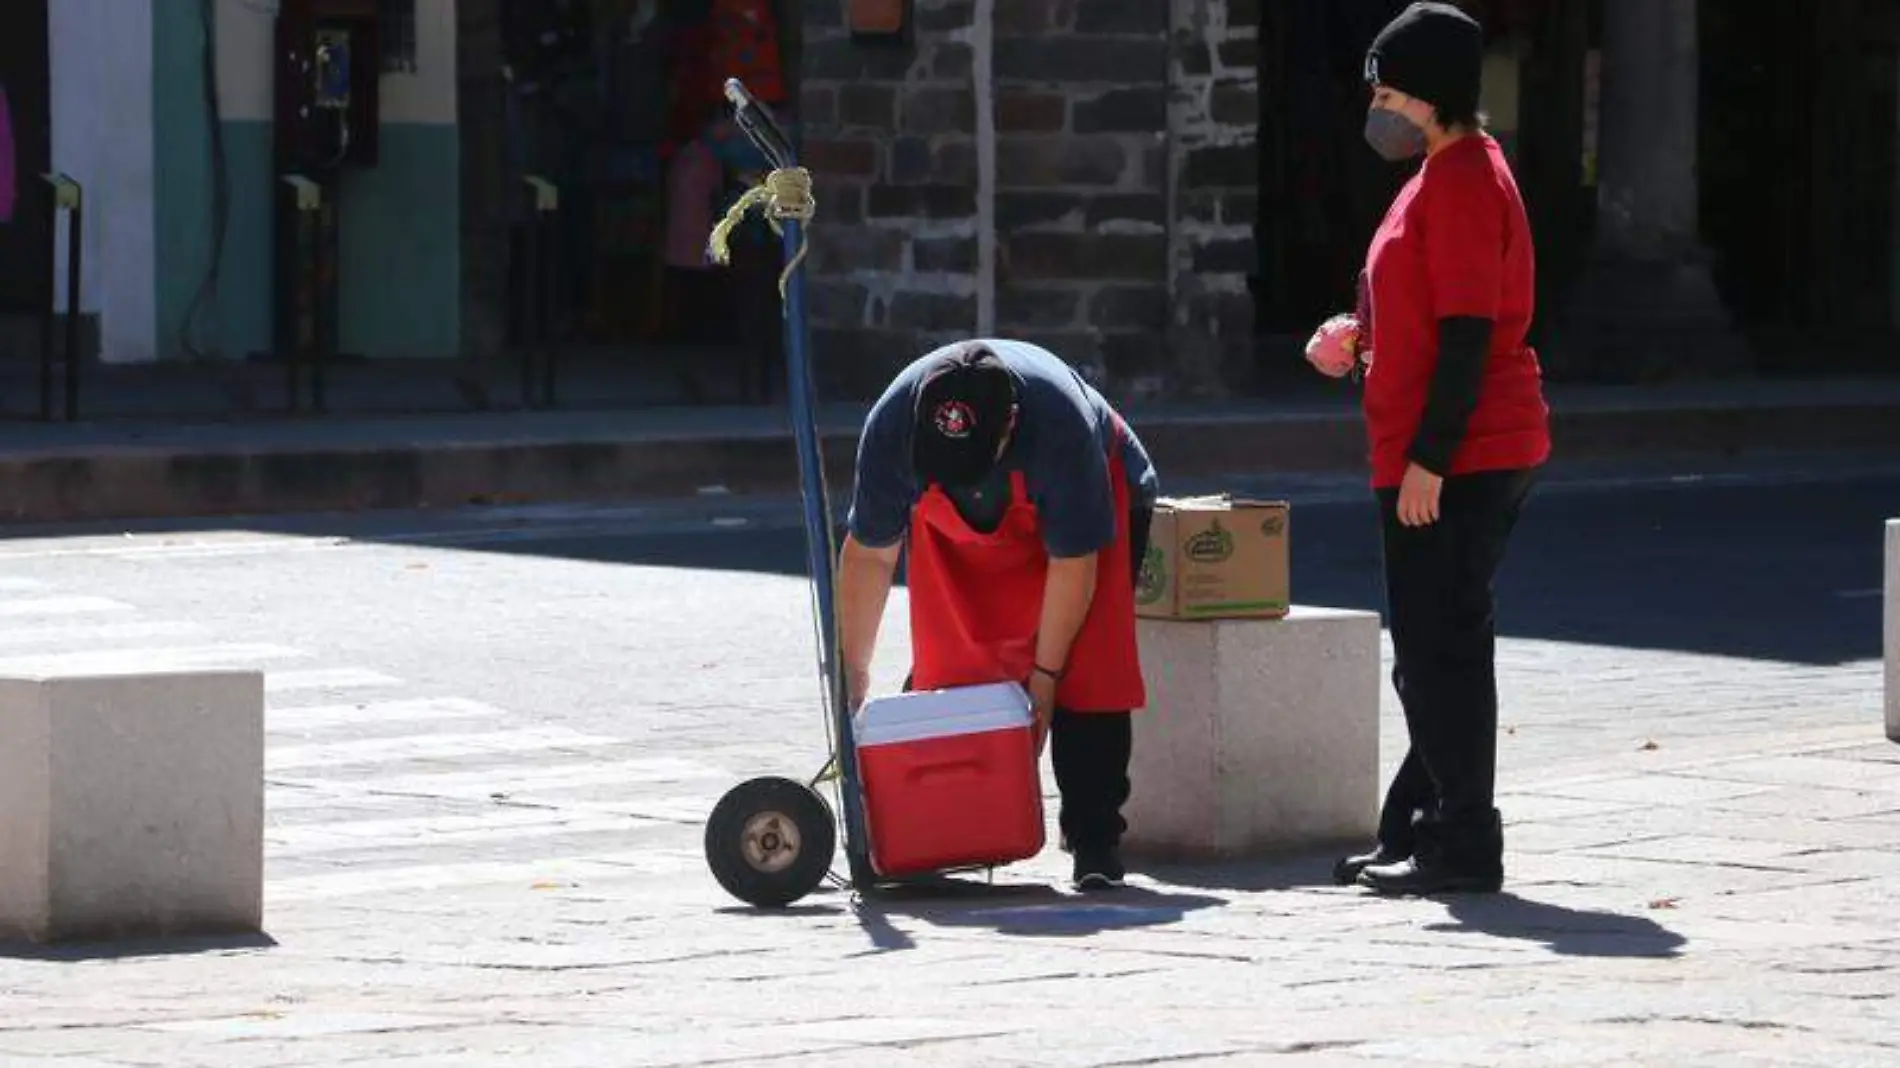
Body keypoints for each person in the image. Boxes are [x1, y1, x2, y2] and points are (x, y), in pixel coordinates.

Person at [1309, 2, 1551, 896]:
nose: (1376, 102)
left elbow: (1464, 335)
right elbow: (1418, 312)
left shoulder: (1462, 183)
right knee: (1438, 645)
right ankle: (1419, 827)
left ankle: (1463, 843)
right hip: (1449, 444)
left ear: (1431, 94)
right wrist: (1359, 337)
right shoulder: (1438, 173)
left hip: (1461, 452)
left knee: (1438, 648)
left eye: (1389, 87)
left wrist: (1429, 461)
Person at [837, 340, 1160, 891]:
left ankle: (1095, 837)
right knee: (957, 664)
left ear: (1009, 427)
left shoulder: (1058, 425)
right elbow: (869, 555)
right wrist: (853, 673)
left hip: (1100, 500)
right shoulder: (891, 426)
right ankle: (951, 828)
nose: (960, 478)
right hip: (965, 536)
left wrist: (1045, 679)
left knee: (1087, 669)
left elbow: (1073, 566)